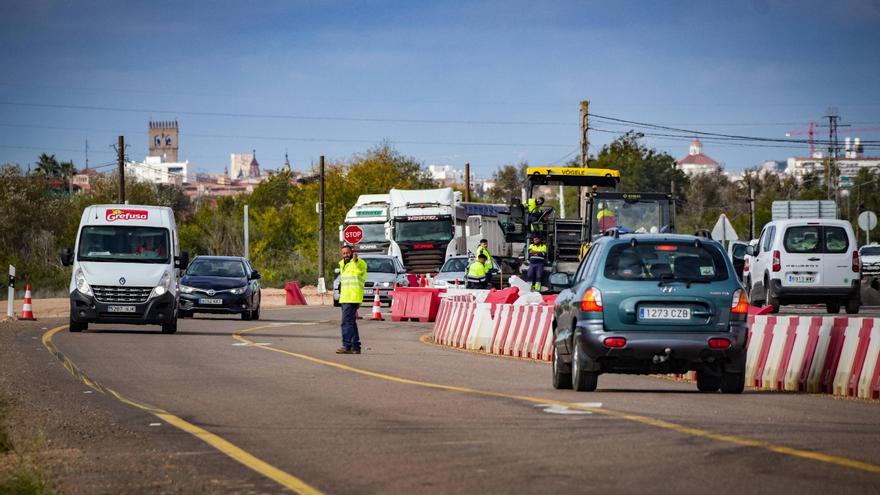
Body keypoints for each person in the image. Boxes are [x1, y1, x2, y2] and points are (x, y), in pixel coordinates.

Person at [337, 245, 367, 354]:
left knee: (346, 323)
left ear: (352, 252)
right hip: (345, 297)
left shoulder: (359, 263)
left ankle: (347, 345)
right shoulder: (342, 265)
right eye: (344, 253)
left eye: (347, 253)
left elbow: (359, 267)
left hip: (352, 297)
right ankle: (355, 346)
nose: (345, 255)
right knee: (351, 322)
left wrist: (356, 260)